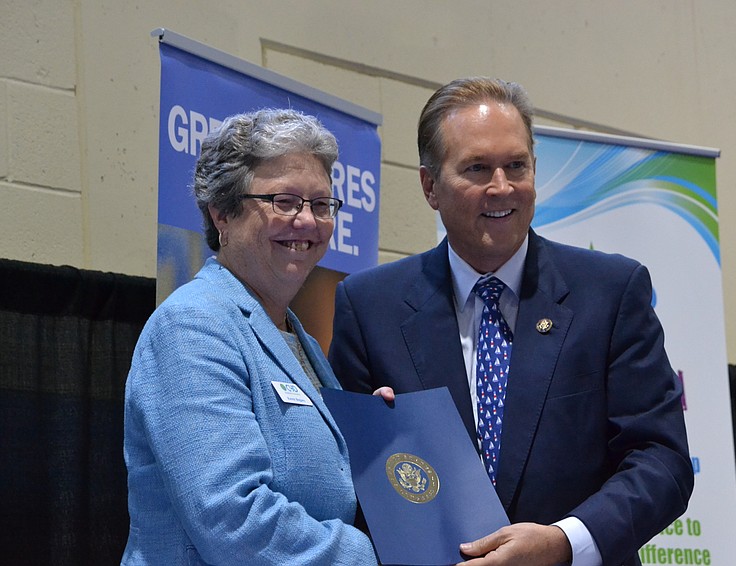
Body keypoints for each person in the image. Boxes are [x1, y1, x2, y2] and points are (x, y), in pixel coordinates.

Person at [329, 78, 694, 566]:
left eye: (516, 165)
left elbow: (662, 461)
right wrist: (374, 446)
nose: (502, 187)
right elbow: (342, 481)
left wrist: (565, 542)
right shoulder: (369, 306)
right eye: (477, 168)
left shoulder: (610, 292)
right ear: (429, 186)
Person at [122, 108, 379, 565]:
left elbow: (322, 482)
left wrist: (374, 433)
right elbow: (232, 519)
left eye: (321, 204)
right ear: (221, 212)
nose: (308, 222)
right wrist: (373, 557)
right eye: (284, 201)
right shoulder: (193, 326)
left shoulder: (293, 334)